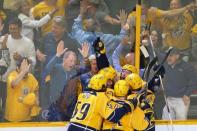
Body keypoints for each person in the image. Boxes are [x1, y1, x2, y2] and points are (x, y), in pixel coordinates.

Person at [67, 74, 137, 131]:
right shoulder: (101, 97)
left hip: (72, 126)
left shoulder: (82, 95)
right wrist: (128, 106)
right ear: (103, 86)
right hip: (87, 128)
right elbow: (112, 117)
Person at [46, 40, 89, 121]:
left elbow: (87, 72)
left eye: (74, 61)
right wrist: (57, 55)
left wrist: (86, 58)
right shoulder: (56, 68)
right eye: (70, 61)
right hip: (56, 108)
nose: (73, 63)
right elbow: (47, 69)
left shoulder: (75, 70)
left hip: (70, 108)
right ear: (64, 60)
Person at [162, 48, 197, 120]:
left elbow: (194, 81)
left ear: (177, 56)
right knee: (166, 122)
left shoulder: (187, 67)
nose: (168, 58)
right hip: (169, 99)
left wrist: (187, 94)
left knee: (180, 123)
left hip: (181, 100)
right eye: (167, 56)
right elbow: (155, 54)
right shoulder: (166, 65)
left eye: (171, 56)